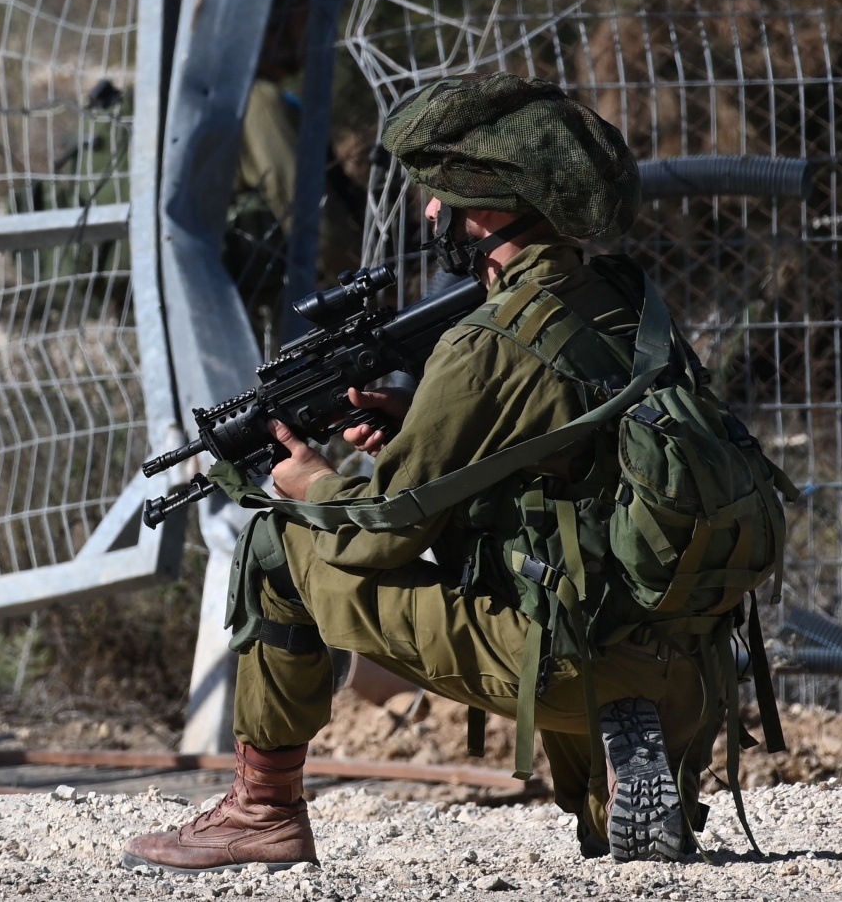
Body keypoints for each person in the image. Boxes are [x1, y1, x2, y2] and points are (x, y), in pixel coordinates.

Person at [124, 73, 764, 872]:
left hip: (566, 652)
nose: (433, 214)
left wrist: (313, 479)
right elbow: (566, 456)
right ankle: (621, 751)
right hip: (691, 659)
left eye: (447, 198)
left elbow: (376, 536)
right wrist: (412, 424)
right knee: (613, 840)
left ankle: (264, 810)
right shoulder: (628, 303)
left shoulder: (486, 344)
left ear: (493, 212)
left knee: (277, 543)